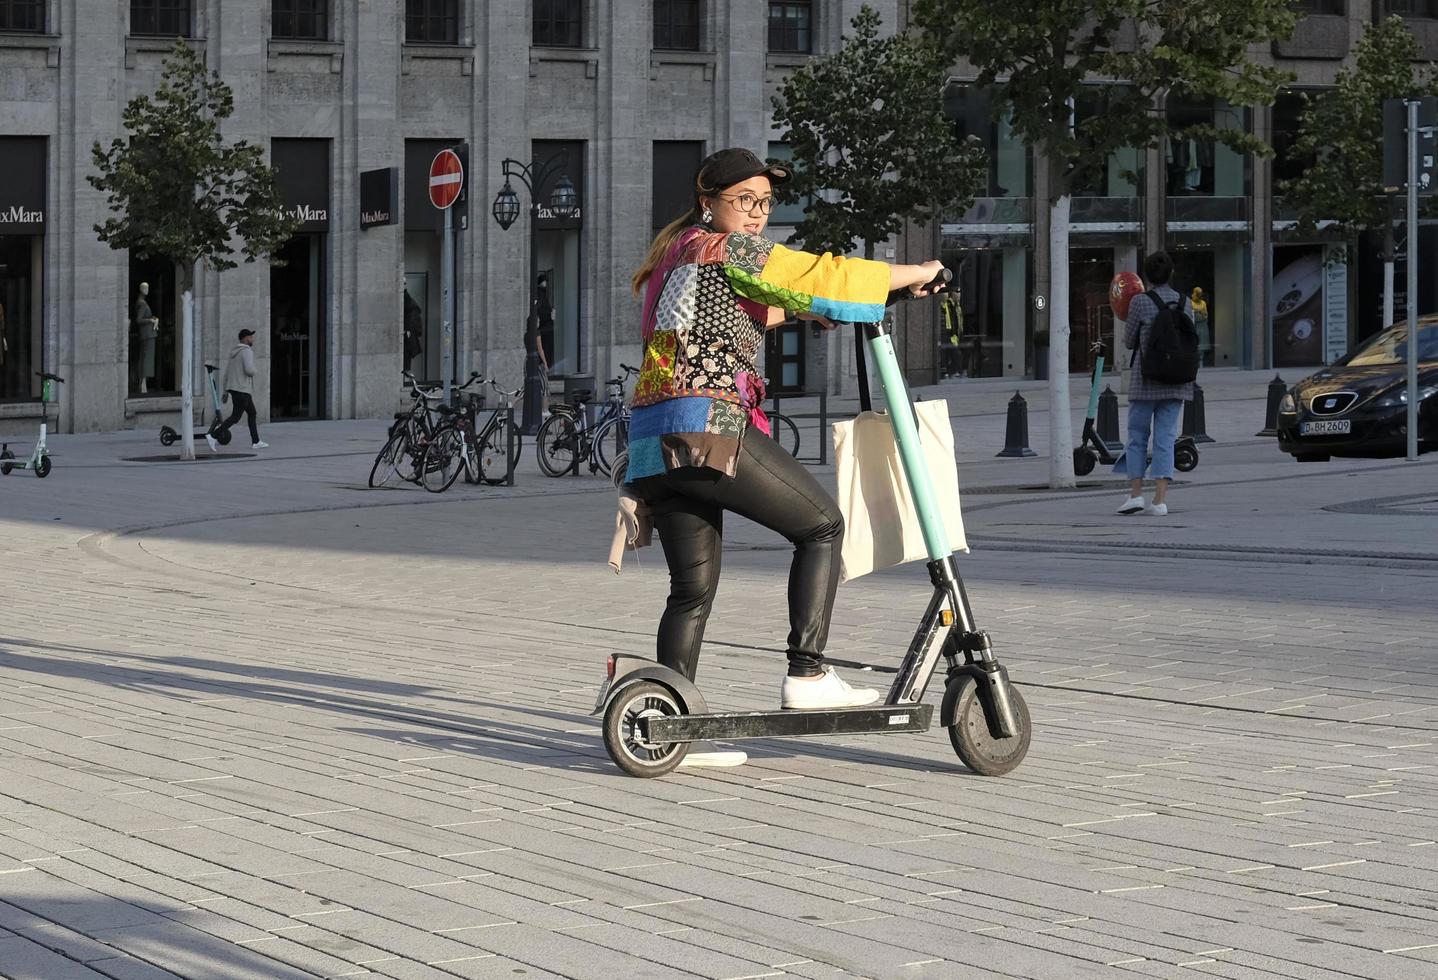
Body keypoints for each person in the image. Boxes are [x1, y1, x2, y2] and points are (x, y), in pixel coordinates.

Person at [624, 147, 944, 767]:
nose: (756, 215)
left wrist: (804, 312)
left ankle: (672, 728)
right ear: (708, 199)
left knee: (691, 590)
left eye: (765, 204)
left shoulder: (675, 256)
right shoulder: (723, 247)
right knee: (822, 525)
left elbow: (733, 313)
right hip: (707, 427)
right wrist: (917, 269)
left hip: (652, 444)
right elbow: (823, 274)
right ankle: (807, 673)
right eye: (743, 200)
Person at [1116, 251, 1194, 518]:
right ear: (1171, 273)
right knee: (1166, 438)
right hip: (1177, 380)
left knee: (1137, 437)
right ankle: (1159, 501)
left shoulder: (1139, 301)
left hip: (1146, 379)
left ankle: (1136, 494)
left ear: (1146, 276)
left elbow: (1128, 341)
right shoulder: (1185, 303)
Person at [208, 329, 267, 451]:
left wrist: (225, 390)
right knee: (235, 417)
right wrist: (256, 371)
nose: (252, 339)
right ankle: (213, 435)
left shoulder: (234, 353)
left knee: (252, 413)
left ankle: (256, 441)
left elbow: (227, 373)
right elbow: (249, 370)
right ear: (246, 338)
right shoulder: (247, 351)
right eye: (251, 337)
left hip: (236, 389)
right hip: (242, 389)